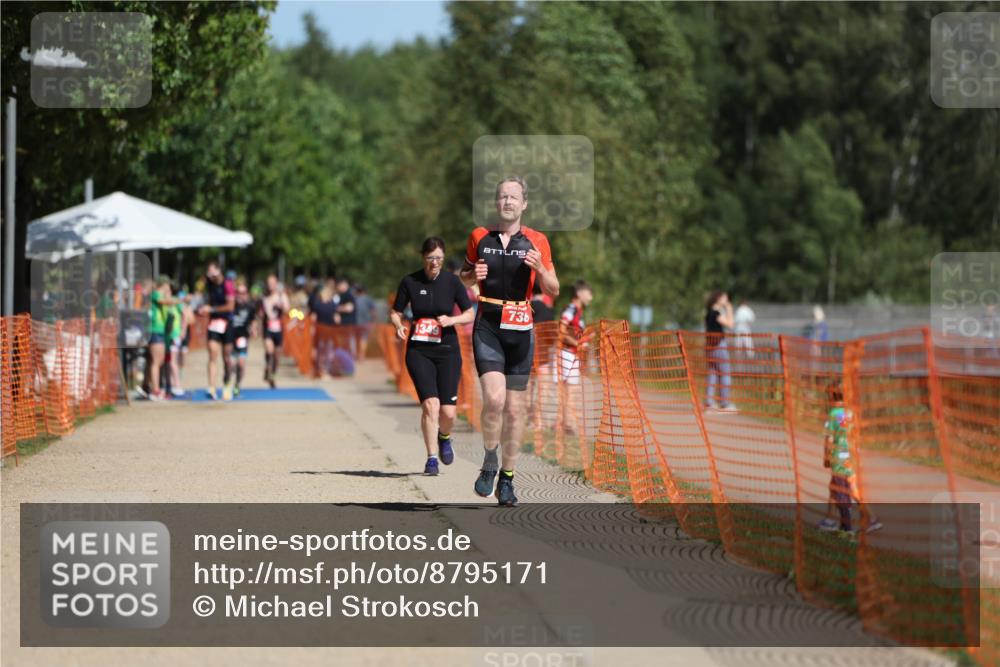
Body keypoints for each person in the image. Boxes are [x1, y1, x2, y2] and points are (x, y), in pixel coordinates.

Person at [460, 176, 560, 506]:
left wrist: (540, 269)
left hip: (520, 330)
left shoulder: (537, 241)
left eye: (514, 197)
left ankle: (507, 478)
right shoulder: (479, 237)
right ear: (496, 202)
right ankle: (490, 460)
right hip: (488, 326)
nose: (508, 201)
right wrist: (472, 276)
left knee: (515, 412)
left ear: (524, 204)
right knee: (493, 399)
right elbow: (464, 278)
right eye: (503, 196)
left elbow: (554, 289)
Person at [391, 238, 475, 475]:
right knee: (431, 405)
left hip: (448, 350)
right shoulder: (410, 281)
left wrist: (452, 320)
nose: (435, 263)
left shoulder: (452, 282)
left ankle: (444, 436)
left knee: (448, 413)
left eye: (439, 258)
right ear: (423, 258)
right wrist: (398, 325)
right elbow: (396, 311)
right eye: (430, 258)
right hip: (419, 350)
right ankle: (431, 459)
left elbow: (469, 313)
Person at [817, 381, 882, 534]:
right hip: (851, 458)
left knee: (841, 490)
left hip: (839, 460)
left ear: (831, 396)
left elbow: (830, 440)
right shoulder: (850, 413)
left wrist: (826, 457)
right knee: (843, 488)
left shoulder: (833, 415)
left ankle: (845, 526)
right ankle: (869, 519)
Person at [196, 262, 235, 400]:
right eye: (208, 272)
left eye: (212, 271)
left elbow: (230, 306)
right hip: (214, 323)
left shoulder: (227, 284)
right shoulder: (209, 284)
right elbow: (200, 296)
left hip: (227, 323)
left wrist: (212, 309)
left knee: (226, 357)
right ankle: (211, 387)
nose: (210, 275)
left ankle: (227, 384)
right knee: (212, 354)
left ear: (219, 271)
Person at [558, 280, 593, 434]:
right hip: (567, 353)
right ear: (579, 293)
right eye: (589, 293)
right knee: (569, 390)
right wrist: (578, 343)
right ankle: (566, 424)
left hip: (572, 354)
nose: (591, 297)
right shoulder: (571, 309)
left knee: (570, 390)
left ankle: (564, 423)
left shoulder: (579, 312)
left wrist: (585, 339)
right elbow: (561, 331)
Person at [147, 277, 180, 401]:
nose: (169, 288)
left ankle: (155, 387)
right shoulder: (156, 294)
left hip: (161, 331)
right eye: (168, 285)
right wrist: (177, 300)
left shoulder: (162, 295)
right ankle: (155, 390)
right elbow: (163, 301)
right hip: (154, 330)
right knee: (156, 362)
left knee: (160, 361)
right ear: (164, 284)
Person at [705, 290, 737, 412]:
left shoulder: (708, 313)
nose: (726, 300)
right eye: (724, 298)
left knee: (712, 373)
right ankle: (724, 403)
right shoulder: (716, 313)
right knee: (724, 373)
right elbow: (731, 324)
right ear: (718, 298)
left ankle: (709, 403)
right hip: (719, 345)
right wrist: (729, 309)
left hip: (709, 346)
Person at [225, 281, 255, 399]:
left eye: (243, 293)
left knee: (241, 364)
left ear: (246, 294)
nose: (241, 295)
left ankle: (237, 385)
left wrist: (253, 329)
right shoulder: (231, 306)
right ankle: (227, 381)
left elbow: (253, 320)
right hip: (230, 338)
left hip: (242, 337)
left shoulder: (250, 307)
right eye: (238, 293)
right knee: (230, 364)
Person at [260, 274, 289, 388]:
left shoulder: (282, 296)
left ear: (276, 284)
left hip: (279, 328)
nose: (270, 285)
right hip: (267, 327)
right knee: (269, 350)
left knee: (277, 355)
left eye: (272, 283)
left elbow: (287, 310)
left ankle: (273, 375)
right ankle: (268, 367)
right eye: (268, 283)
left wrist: (281, 307)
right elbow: (259, 312)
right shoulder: (264, 297)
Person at [353, 283, 376, 359]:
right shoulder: (368, 299)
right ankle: (361, 355)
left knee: (356, 338)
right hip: (366, 322)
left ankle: (357, 354)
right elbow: (373, 312)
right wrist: (373, 321)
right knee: (364, 339)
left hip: (355, 322)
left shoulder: (354, 299)